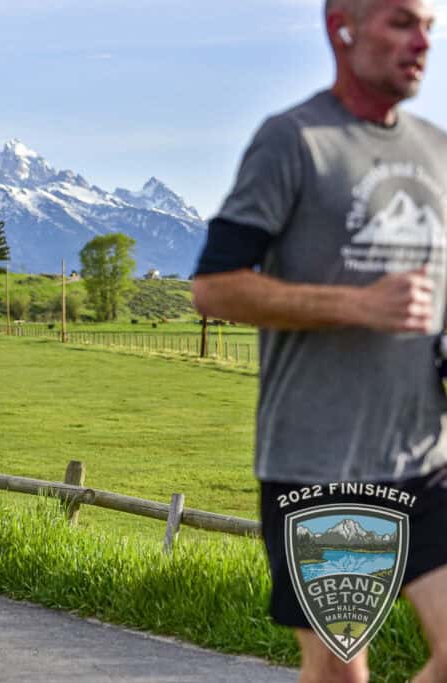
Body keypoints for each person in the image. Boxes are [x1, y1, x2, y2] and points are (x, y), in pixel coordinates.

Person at [192, 1, 444, 681]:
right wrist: (358, 304)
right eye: (401, 22)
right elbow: (214, 287)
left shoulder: (437, 149)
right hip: (320, 463)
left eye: (429, 22)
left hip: (425, 457)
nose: (423, 39)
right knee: (340, 671)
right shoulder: (295, 140)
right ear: (343, 26)